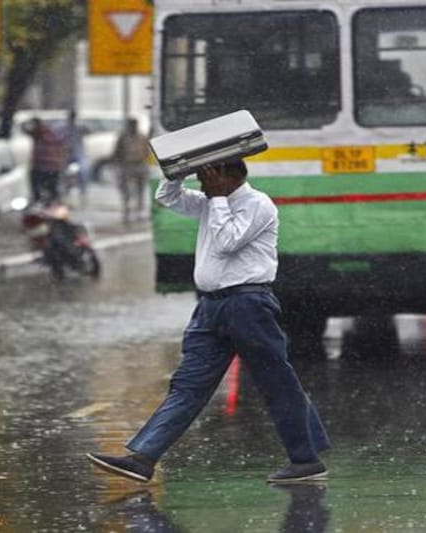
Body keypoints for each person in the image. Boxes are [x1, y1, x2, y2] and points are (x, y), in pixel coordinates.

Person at [86, 159, 331, 484]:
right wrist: (179, 173)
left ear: (230, 176)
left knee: (276, 382)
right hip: (210, 307)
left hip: (248, 304)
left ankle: (305, 459)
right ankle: (143, 458)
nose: (202, 184)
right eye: (202, 178)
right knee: (188, 385)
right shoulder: (211, 202)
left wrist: (215, 198)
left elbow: (228, 240)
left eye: (209, 176)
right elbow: (168, 197)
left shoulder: (257, 205)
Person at [111, 118, 150, 223]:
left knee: (140, 190)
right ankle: (126, 211)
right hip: (127, 165)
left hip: (140, 165)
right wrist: (118, 165)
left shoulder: (142, 137)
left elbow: (147, 151)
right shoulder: (123, 137)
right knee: (126, 190)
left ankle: (139, 212)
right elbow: (116, 152)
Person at [24, 117, 67, 204]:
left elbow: (25, 130)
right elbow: (62, 148)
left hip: (41, 167)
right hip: (53, 168)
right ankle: (53, 203)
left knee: (37, 187)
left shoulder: (37, 134)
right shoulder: (53, 135)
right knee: (52, 189)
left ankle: (38, 201)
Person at [61, 110, 90, 205]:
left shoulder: (79, 127)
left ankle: (83, 195)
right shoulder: (64, 128)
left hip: (78, 154)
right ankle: (66, 196)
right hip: (66, 155)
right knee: (65, 176)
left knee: (83, 173)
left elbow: (88, 130)